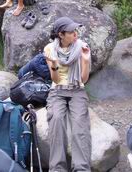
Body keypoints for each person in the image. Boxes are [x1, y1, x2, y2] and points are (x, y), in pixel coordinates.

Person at [43, 17, 91, 172]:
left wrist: (85, 60)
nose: (75, 34)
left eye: (75, 31)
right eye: (71, 32)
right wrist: (55, 66)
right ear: (61, 34)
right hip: (57, 90)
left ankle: (81, 168)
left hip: (77, 89)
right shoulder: (50, 49)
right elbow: (55, 79)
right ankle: (57, 169)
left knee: (79, 126)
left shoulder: (82, 47)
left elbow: (84, 79)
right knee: (56, 120)